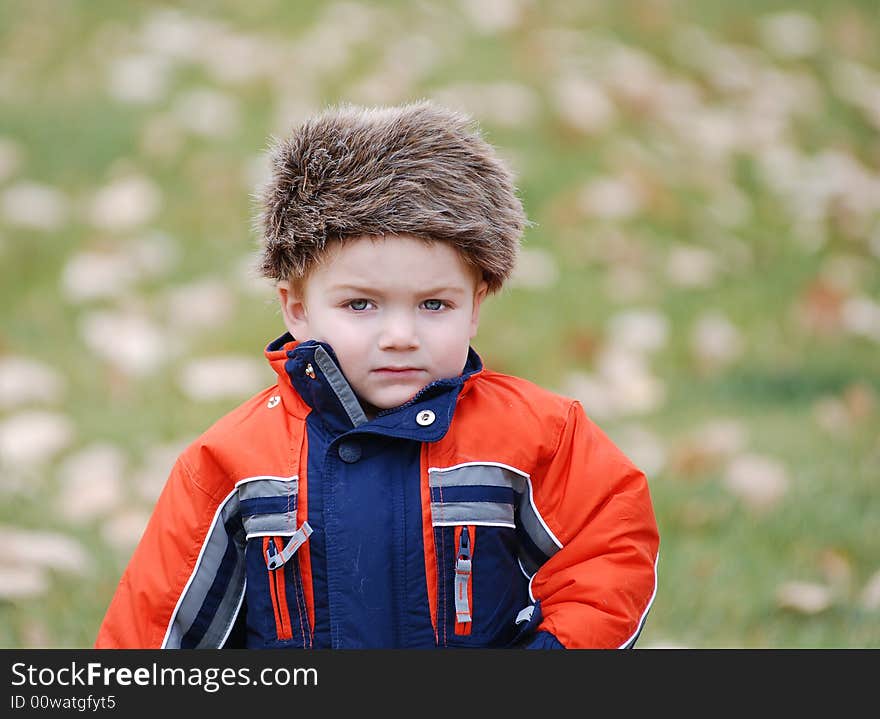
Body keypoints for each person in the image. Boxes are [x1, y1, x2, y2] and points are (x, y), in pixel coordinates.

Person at [95, 100, 660, 649]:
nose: (399, 335)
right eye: (361, 305)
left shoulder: (541, 439)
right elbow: (157, 632)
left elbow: (607, 561)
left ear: (476, 303)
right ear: (297, 308)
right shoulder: (231, 466)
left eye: (433, 305)